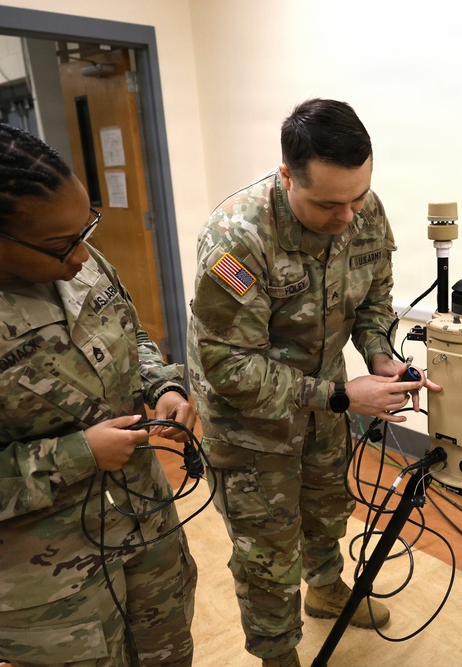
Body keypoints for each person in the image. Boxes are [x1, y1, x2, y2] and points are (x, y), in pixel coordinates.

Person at [0, 123, 198, 667]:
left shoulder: (80, 265)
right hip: (49, 591)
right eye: (60, 245)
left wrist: (160, 384)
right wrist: (77, 454)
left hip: (146, 534)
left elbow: (131, 332)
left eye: (85, 229)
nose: (80, 255)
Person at [187, 98, 440, 667]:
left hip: (325, 399)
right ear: (286, 177)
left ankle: (326, 589)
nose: (348, 215)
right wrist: (343, 395)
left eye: (357, 196)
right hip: (249, 421)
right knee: (267, 550)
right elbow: (230, 368)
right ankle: (279, 655)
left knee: (327, 503)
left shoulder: (362, 209)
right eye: (329, 204)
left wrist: (377, 355)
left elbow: (375, 297)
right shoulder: (236, 241)